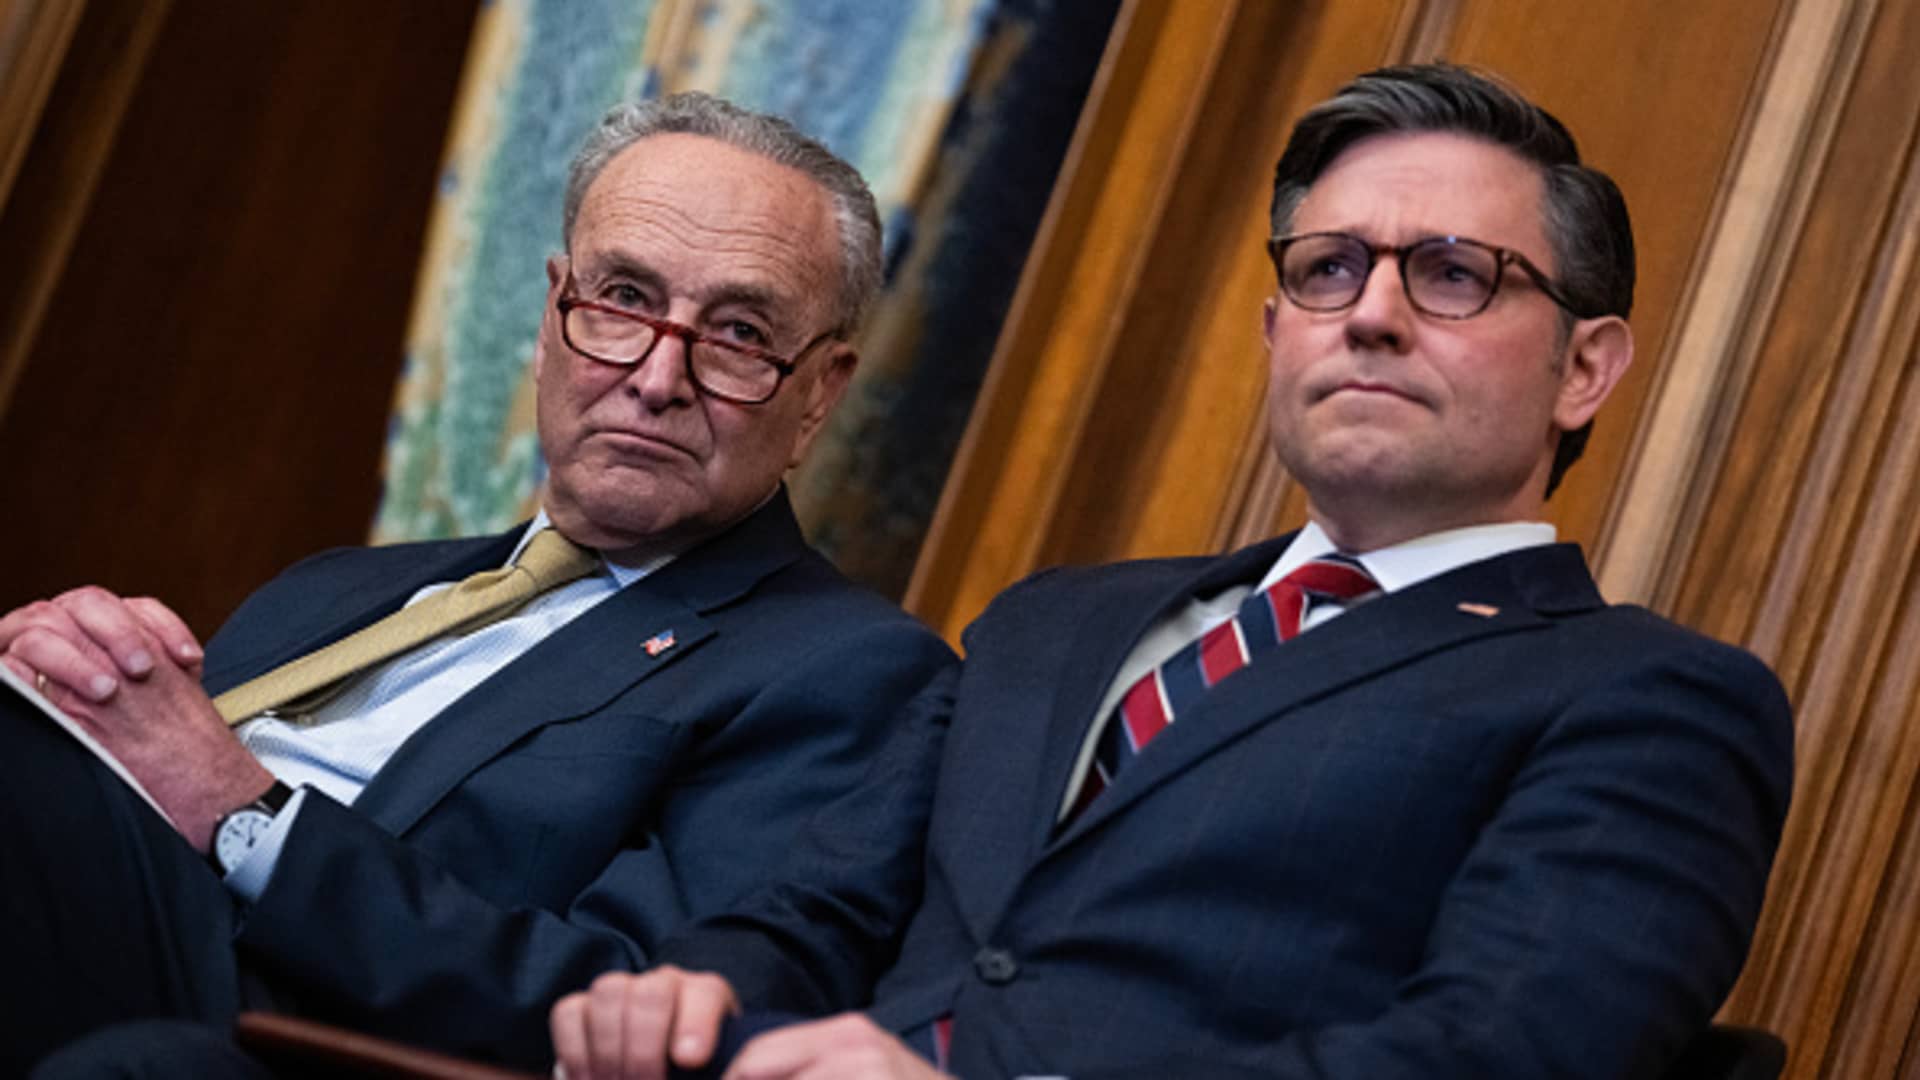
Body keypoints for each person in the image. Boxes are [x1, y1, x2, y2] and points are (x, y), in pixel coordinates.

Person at [547, 64, 1795, 1080]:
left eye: (1454, 275)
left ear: (1586, 368)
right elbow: (817, 917)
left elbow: (1494, 1058)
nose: (1371, 314)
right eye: (1329, 269)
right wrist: (687, 998)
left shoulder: (1649, 700)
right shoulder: (1051, 624)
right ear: (1277, 334)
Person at [0, 92, 954, 1074]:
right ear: (550, 318)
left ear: (820, 394)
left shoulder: (850, 673)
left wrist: (243, 814)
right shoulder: (335, 589)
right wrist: (70, 695)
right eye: (623, 299)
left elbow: (632, 1015)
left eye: (740, 333)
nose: (658, 377)